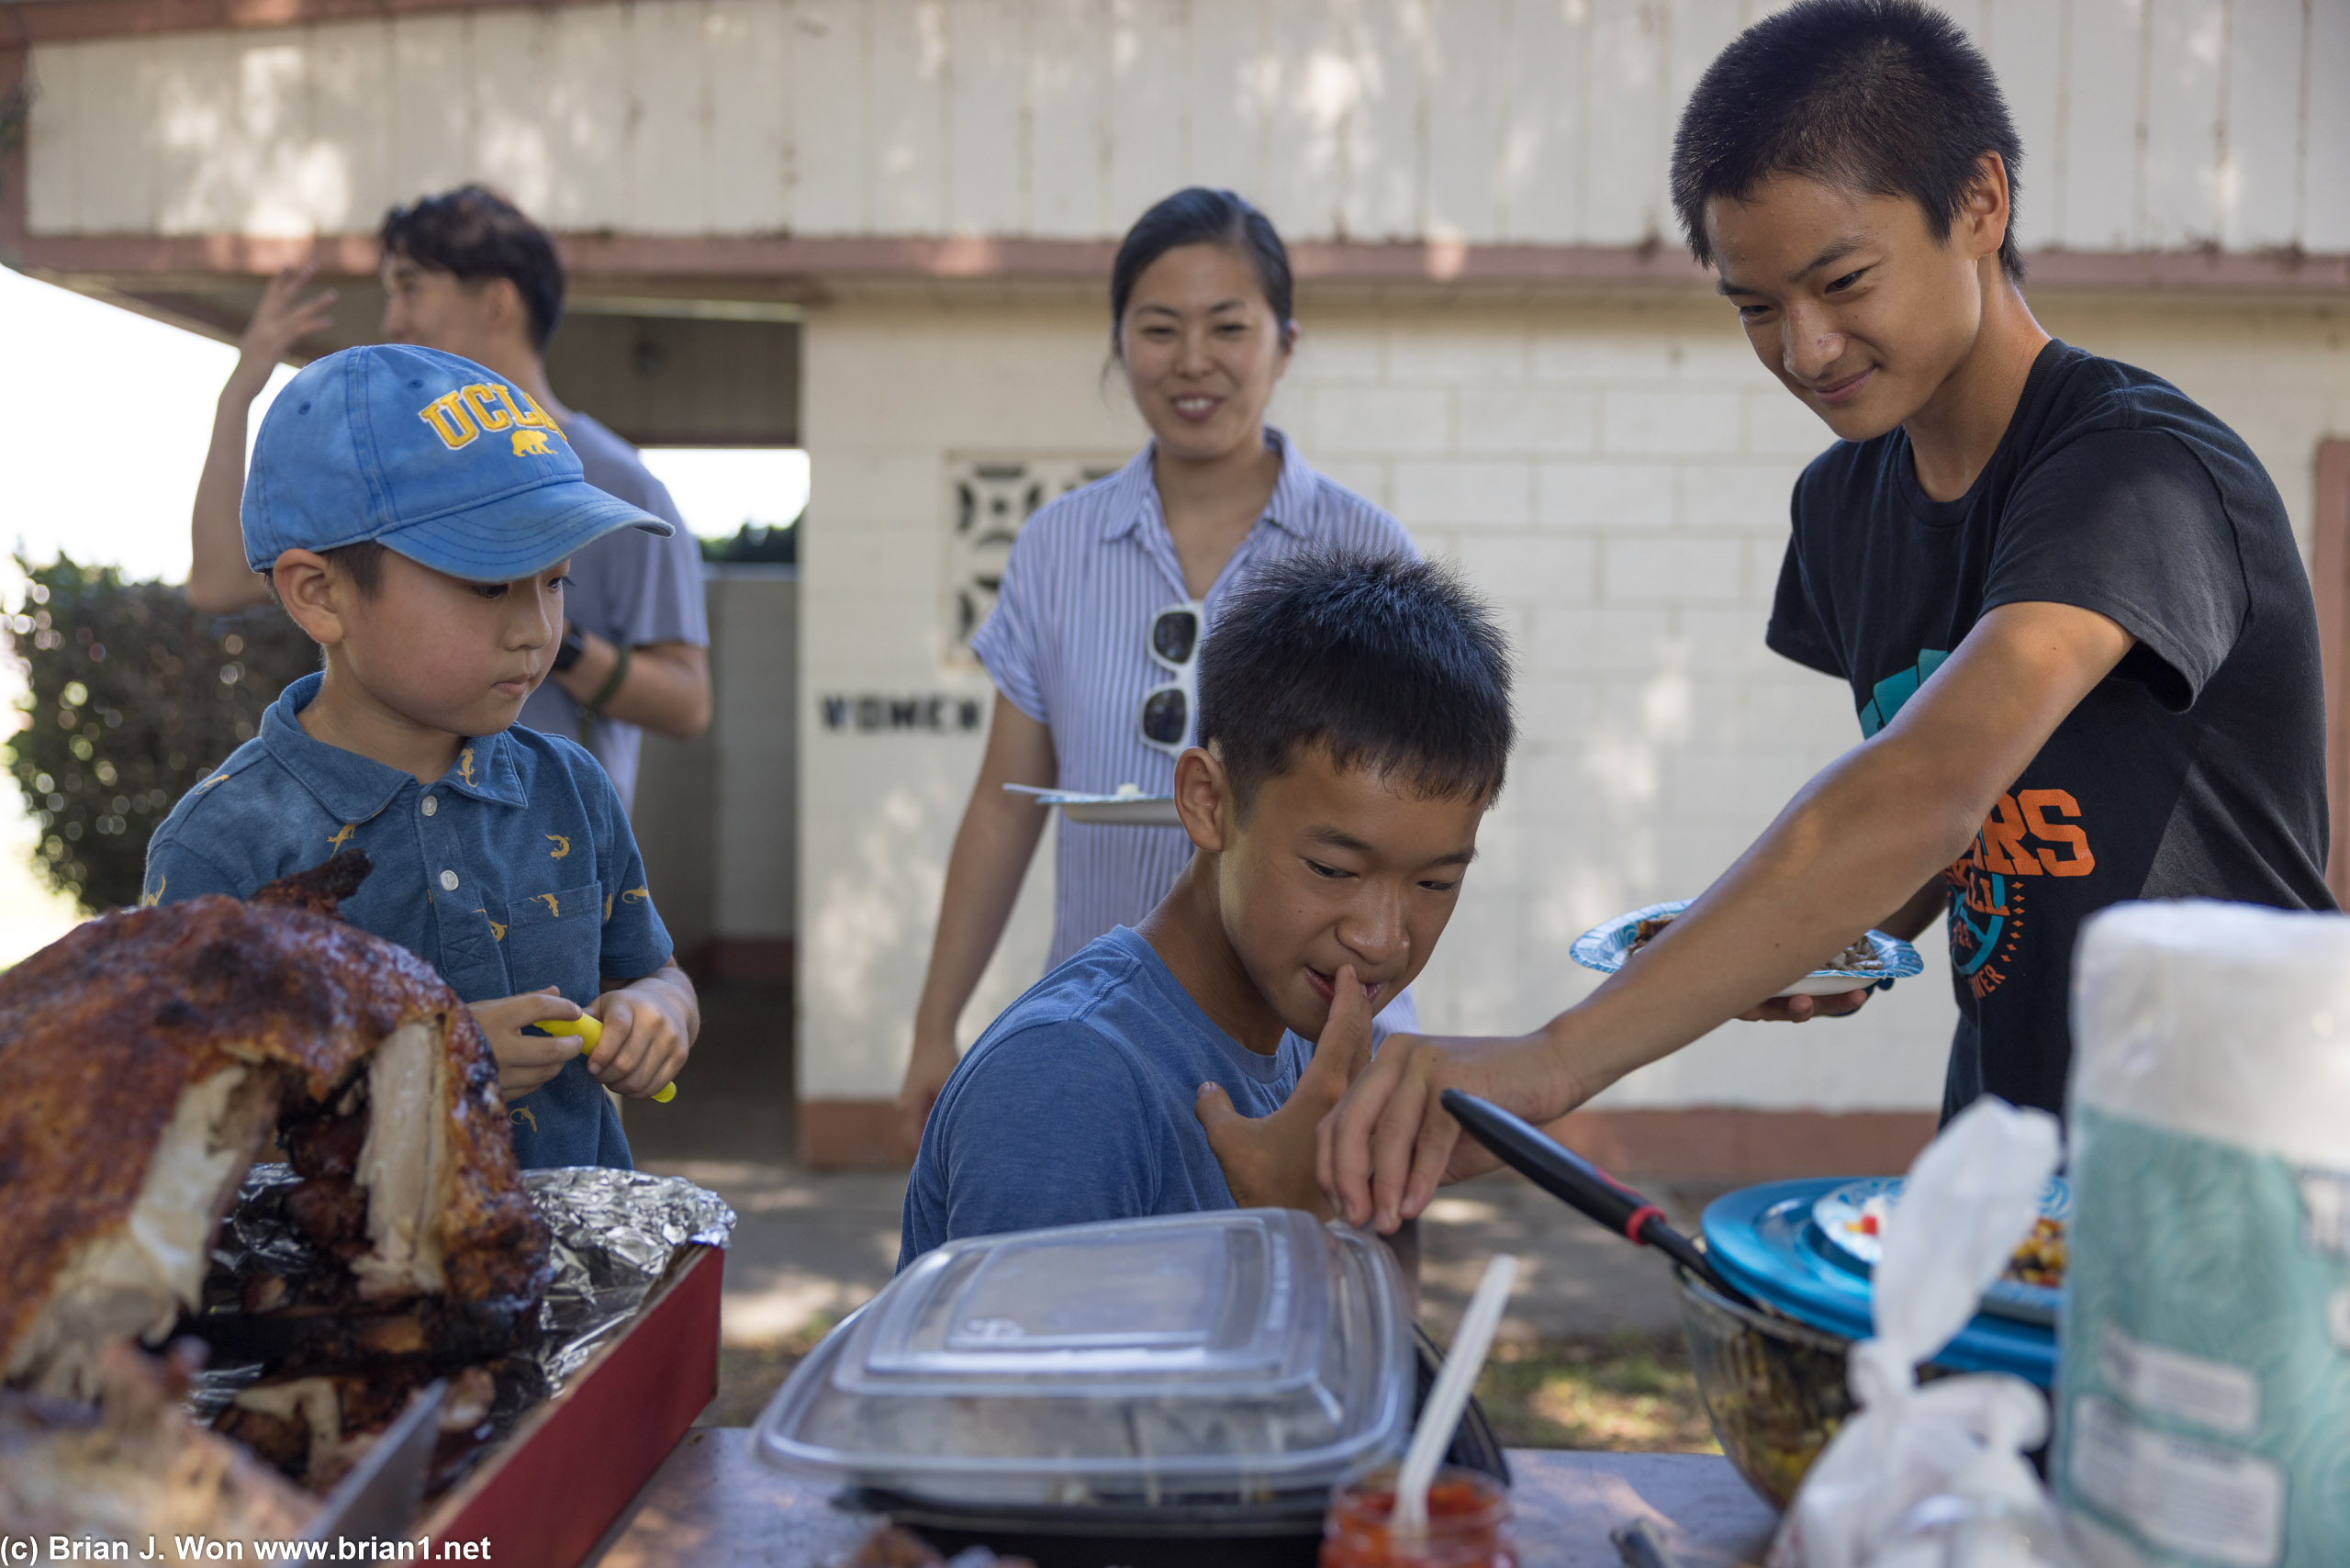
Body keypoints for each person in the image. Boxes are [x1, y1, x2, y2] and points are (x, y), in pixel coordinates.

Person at [1316, 0, 2335, 1235]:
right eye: (1755, 307)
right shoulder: (1846, 504)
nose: (1804, 347)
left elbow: (1926, 784)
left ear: (1980, 204)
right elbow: (1956, 829)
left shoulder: (2138, 476)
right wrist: (1822, 933)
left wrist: (1553, 1061)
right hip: (2015, 1172)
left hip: (2251, 1180)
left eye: (1843, 281)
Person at [898, 187, 1420, 1147]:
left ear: (1285, 343)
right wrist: (937, 1025)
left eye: (1227, 326)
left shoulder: (1363, 550)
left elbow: (1406, 826)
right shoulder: (1057, 545)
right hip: (1099, 1040)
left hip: (1308, 1051)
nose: (1192, 362)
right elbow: (1006, 803)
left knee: (1310, 1294)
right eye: (1158, 328)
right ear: (1118, 343)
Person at [145, 343, 700, 1170]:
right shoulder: (224, 846)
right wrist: (419, 1069)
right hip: (340, 1295)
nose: (535, 630)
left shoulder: (571, 788)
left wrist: (660, 1010)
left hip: (578, 1288)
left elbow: (649, 970)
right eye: (489, 585)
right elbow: (174, 1122)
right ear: (319, 593)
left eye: (555, 583)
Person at [900, 554, 1514, 1263]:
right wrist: (1288, 1239)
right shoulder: (1070, 1077)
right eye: (1333, 869)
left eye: (1435, 884)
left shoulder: (1308, 1045)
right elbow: (1013, 1376)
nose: (1381, 939)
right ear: (1208, 802)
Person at [186, 186, 710, 808]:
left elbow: (688, 702)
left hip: (553, 875)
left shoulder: (620, 484)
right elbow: (218, 584)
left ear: (498, 301)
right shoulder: (386, 476)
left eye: (412, 287)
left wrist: (550, 638)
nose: (392, 321)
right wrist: (238, 396)